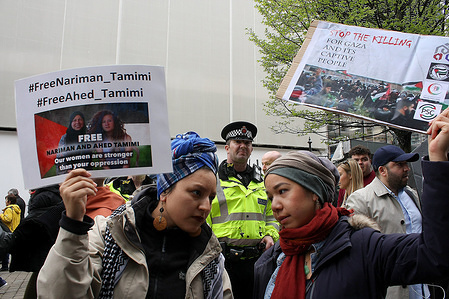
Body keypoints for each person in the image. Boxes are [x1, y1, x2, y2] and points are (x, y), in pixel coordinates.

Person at [254, 107, 449, 298]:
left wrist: (438, 158)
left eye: (282, 191)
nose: (275, 206)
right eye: (271, 197)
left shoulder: (363, 247)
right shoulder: (272, 259)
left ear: (314, 192)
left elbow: (433, 256)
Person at [37, 131, 232, 298]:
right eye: (196, 193)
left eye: (211, 197)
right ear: (165, 191)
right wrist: (72, 225)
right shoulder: (110, 233)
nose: (206, 206)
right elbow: (60, 293)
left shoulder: (210, 256)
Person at [207, 121, 279, 299]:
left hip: (257, 262)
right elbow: (202, 218)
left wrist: (271, 235)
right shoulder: (213, 180)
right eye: (237, 142)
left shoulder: (262, 182)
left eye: (247, 143)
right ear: (227, 147)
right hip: (222, 262)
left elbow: (272, 216)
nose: (242, 146)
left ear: (252, 149)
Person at [345, 145, 427, 298]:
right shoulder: (361, 199)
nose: (406, 169)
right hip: (391, 290)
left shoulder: (411, 194)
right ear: (382, 170)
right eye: (399, 165)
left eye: (406, 164)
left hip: (421, 287)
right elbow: (355, 251)